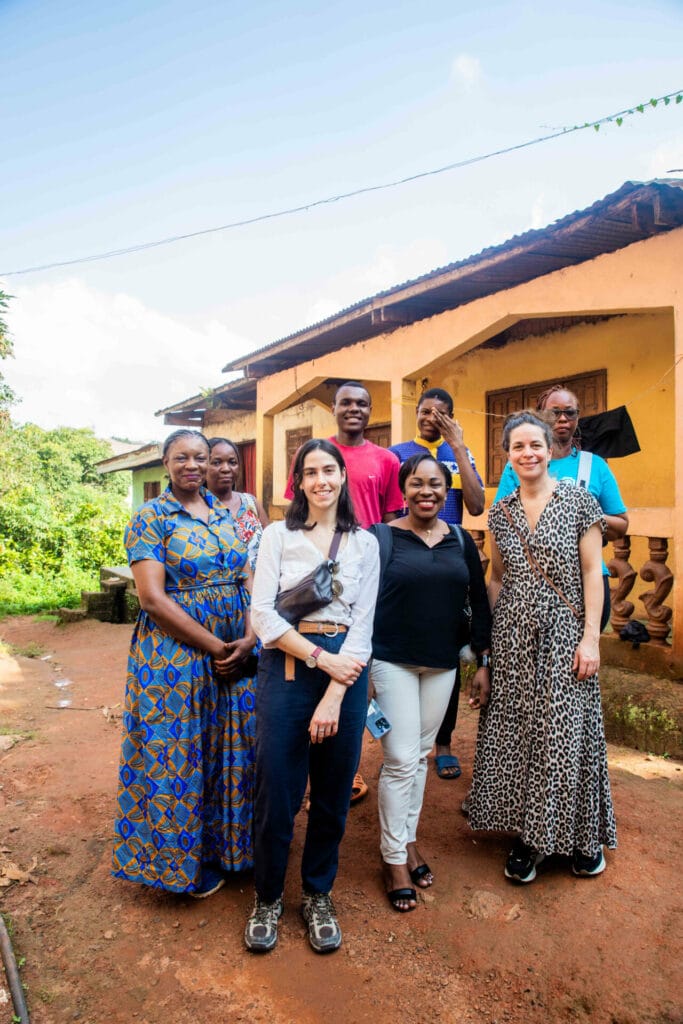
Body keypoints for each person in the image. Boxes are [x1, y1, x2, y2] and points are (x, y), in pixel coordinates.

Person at [469, 411, 617, 883]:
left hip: (565, 635)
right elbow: (495, 578)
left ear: (550, 450)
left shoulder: (578, 501)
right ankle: (530, 839)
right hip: (512, 636)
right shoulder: (502, 510)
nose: (528, 453)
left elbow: (593, 573)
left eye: (536, 445)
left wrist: (590, 637)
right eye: (518, 447)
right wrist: (490, 652)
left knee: (566, 732)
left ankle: (580, 836)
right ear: (507, 456)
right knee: (521, 733)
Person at [246, 438, 380, 953]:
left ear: (343, 475)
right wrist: (320, 661)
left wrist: (334, 692)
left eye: (329, 470)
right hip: (287, 666)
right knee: (276, 791)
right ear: (298, 482)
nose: (321, 480)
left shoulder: (365, 544)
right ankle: (268, 897)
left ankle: (318, 894)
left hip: (346, 669)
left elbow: (364, 627)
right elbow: (263, 616)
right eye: (310, 472)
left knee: (332, 794)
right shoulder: (277, 536)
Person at [112, 429, 258, 897]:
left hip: (237, 650)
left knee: (230, 751)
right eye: (182, 458)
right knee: (178, 755)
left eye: (201, 457)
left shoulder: (223, 512)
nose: (193, 465)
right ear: (165, 463)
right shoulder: (151, 518)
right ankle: (181, 867)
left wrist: (251, 636)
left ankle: (228, 851)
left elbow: (247, 577)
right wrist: (219, 648)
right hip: (177, 657)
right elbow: (152, 599)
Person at [369, 454, 491, 911]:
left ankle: (408, 841)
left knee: (419, 756)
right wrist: (360, 667)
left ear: (447, 491)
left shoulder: (459, 539)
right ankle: (393, 858)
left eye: (436, 484)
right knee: (401, 756)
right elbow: (360, 607)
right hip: (391, 661)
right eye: (417, 483)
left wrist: (482, 660)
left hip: (440, 664)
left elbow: (478, 602)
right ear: (404, 489)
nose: (427, 491)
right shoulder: (379, 537)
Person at [285, 381, 403, 804]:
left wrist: (385, 572)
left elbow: (390, 522)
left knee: (360, 662)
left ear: (371, 411)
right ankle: (301, 765)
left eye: (361, 403)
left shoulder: (386, 460)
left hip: (366, 577)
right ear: (333, 408)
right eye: (346, 402)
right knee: (304, 667)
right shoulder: (314, 455)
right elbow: (294, 510)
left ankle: (345, 767)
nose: (353, 409)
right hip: (316, 583)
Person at [389, 387, 485, 781]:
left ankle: (443, 742)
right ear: (416, 413)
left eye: (441, 413)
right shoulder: (397, 454)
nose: (432, 417)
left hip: (449, 559)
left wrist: (457, 445)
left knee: (447, 648)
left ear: (451, 416)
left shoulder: (459, 454)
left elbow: (477, 506)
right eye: (426, 411)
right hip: (407, 557)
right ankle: (403, 742)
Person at [495, 384, 628, 631]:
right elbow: (501, 521)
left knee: (582, 661)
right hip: (531, 582)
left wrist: (585, 517)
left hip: (587, 581)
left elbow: (621, 524)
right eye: (554, 412)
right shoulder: (518, 467)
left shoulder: (595, 466)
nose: (563, 418)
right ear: (540, 416)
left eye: (571, 412)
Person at [206, 437, 269, 569]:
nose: (226, 468)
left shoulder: (251, 503)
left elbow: (272, 546)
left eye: (232, 462)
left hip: (260, 586)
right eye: (216, 463)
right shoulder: (197, 508)